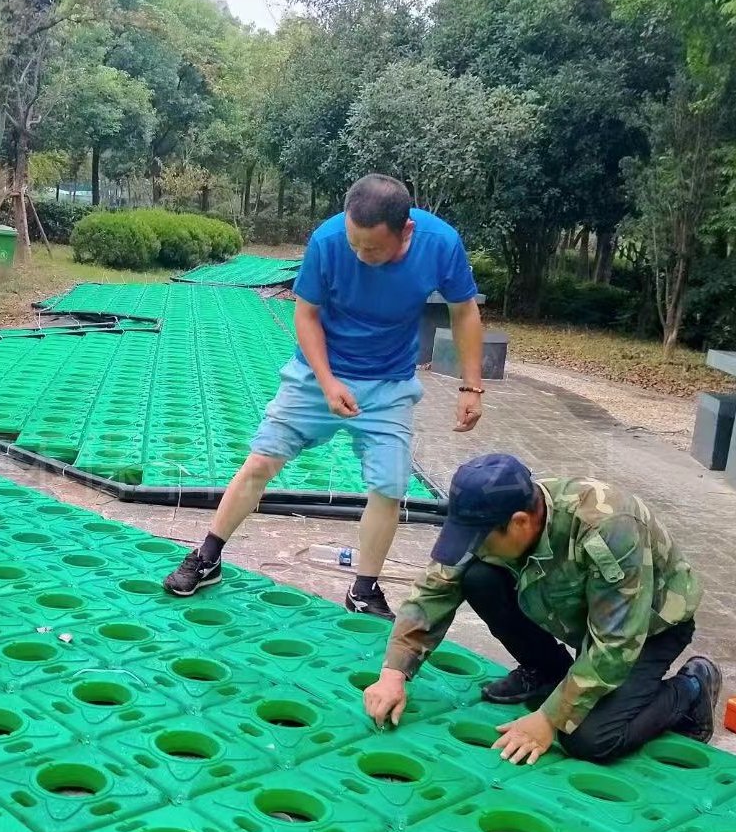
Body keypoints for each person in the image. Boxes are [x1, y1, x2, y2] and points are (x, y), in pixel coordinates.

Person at [164, 174, 485, 618]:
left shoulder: (440, 243)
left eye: (372, 248)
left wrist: (471, 385)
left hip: (388, 384)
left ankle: (364, 590)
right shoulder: (328, 240)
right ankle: (208, 556)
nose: (360, 254)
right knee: (261, 461)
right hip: (316, 375)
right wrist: (328, 381)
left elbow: (464, 310)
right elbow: (307, 315)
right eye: (355, 243)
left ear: (406, 230)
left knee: (389, 487)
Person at [365, 453, 721, 764]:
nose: (475, 547)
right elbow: (435, 587)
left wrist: (549, 719)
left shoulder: (609, 529)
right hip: (581, 617)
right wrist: (394, 673)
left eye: (481, 541)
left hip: (648, 628)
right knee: (478, 576)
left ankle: (691, 688)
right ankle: (548, 672)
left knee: (588, 738)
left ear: (520, 522)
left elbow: (615, 645)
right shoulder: (494, 516)